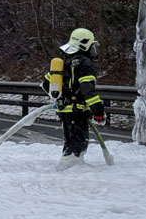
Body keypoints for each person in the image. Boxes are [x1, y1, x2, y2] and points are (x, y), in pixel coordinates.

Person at [41, 28, 105, 167]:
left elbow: (46, 84)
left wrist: (64, 96)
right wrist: (98, 110)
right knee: (79, 143)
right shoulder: (85, 63)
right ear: (84, 45)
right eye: (92, 46)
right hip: (78, 110)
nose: (93, 50)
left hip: (64, 109)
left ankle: (68, 166)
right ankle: (69, 168)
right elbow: (87, 88)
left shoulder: (64, 60)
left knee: (69, 140)